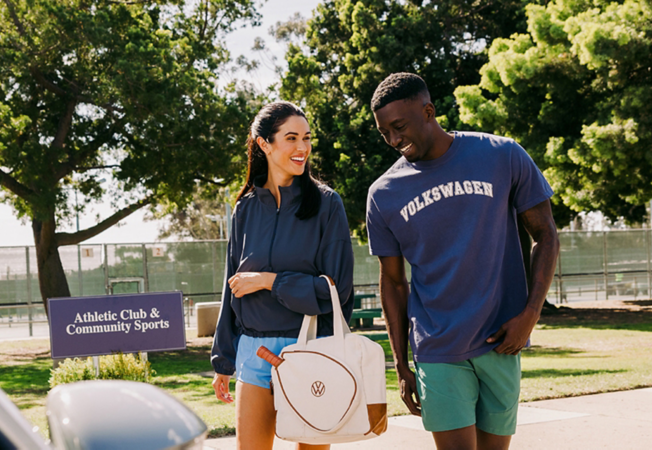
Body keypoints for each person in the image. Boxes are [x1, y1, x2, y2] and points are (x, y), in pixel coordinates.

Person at [366, 73, 559, 450]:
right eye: (384, 132)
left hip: (502, 341)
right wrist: (401, 364)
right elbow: (392, 281)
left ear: (429, 111)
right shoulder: (383, 194)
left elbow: (546, 234)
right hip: (438, 348)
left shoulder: (501, 155)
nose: (392, 140)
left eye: (399, 127)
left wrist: (530, 315)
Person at [211, 101, 355, 450]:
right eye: (291, 138)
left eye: (306, 138)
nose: (302, 148)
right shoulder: (245, 208)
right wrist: (224, 360)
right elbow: (232, 287)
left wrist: (270, 281)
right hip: (254, 350)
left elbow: (336, 288)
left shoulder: (327, 204)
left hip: (311, 349)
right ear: (264, 144)